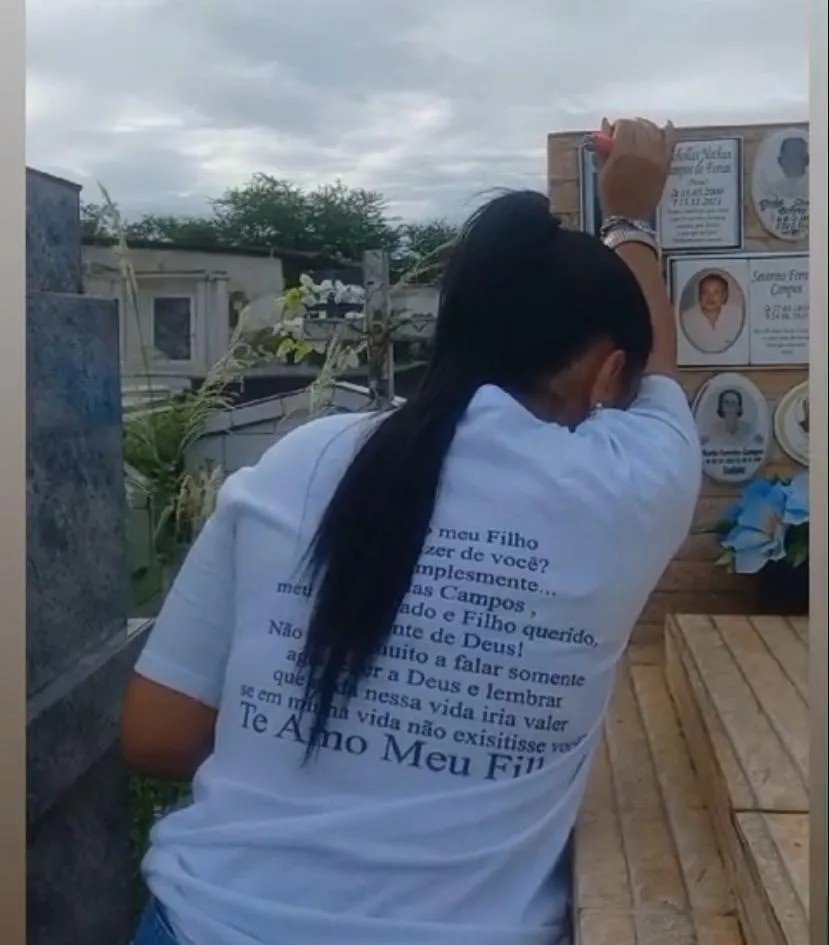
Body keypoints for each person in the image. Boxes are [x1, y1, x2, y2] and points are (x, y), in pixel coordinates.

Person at [123, 117, 702, 945]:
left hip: (199, 918)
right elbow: (662, 380)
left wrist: (332, 749)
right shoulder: (623, 490)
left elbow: (155, 732)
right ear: (609, 373)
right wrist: (630, 219)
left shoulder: (300, 459)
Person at [680, 271, 745, 355]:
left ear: (724, 295)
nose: (710, 297)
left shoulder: (737, 315)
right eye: (705, 292)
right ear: (699, 295)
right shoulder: (685, 318)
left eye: (716, 292)